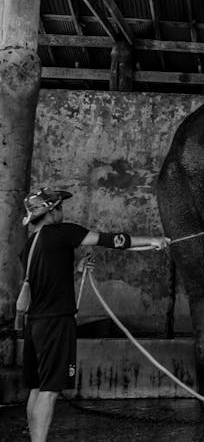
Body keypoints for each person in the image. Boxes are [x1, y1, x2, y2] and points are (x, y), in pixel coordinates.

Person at [19, 186, 170, 442]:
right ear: (52, 210)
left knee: (37, 388)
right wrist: (152, 240)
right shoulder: (63, 233)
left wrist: (77, 269)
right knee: (50, 390)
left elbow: (46, 281)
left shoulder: (30, 245)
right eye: (60, 207)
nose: (63, 212)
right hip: (56, 323)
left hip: (36, 324)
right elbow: (112, 240)